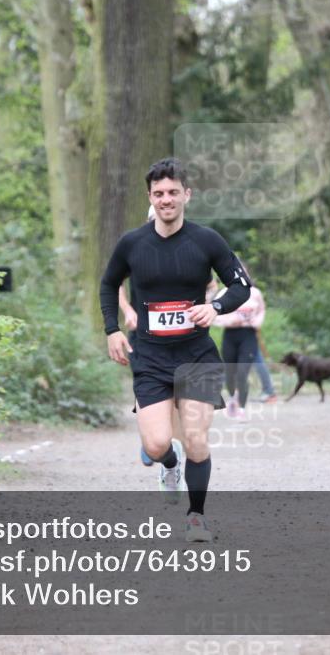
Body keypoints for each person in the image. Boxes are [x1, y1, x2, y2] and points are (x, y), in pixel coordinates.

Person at [100, 157, 250, 542]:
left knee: (197, 437)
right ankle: (169, 464)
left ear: (187, 194)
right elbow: (107, 284)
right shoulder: (132, 243)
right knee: (156, 443)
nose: (166, 199)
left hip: (196, 355)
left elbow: (241, 286)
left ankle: (196, 518)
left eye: (172, 192)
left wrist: (213, 307)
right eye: (158, 194)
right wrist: (113, 330)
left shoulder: (207, 240)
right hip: (149, 357)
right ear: (150, 198)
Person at [213, 271, 267, 419]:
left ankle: (241, 408)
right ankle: (232, 398)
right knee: (230, 373)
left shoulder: (255, 293)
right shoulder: (224, 293)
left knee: (242, 373)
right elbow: (214, 315)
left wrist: (257, 322)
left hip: (248, 335)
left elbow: (261, 310)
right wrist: (228, 321)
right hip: (230, 335)